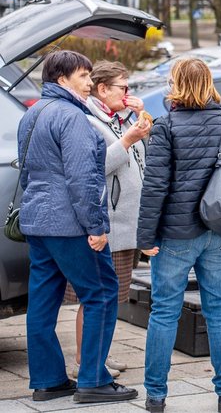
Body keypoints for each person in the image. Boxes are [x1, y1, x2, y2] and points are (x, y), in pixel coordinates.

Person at [138, 58, 221, 413]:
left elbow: (155, 187)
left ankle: (156, 395)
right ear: (209, 83)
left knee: (163, 313)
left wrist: (147, 236)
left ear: (176, 84)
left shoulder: (166, 126)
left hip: (176, 235)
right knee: (220, 310)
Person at [18, 50, 137, 404]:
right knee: (101, 294)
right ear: (61, 79)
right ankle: (94, 380)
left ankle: (49, 381)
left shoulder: (33, 112)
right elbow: (84, 178)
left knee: (42, 303)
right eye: (83, 76)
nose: (89, 83)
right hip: (71, 224)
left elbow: (27, 171)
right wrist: (97, 227)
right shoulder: (72, 117)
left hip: (37, 221)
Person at [64, 61, 151, 380]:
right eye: (123, 88)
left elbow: (143, 158)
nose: (128, 94)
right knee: (95, 299)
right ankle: (82, 361)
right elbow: (94, 167)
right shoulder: (88, 120)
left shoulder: (120, 118)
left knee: (114, 299)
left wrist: (140, 125)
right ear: (103, 89)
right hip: (107, 226)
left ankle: (99, 356)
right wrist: (128, 139)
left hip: (127, 224)